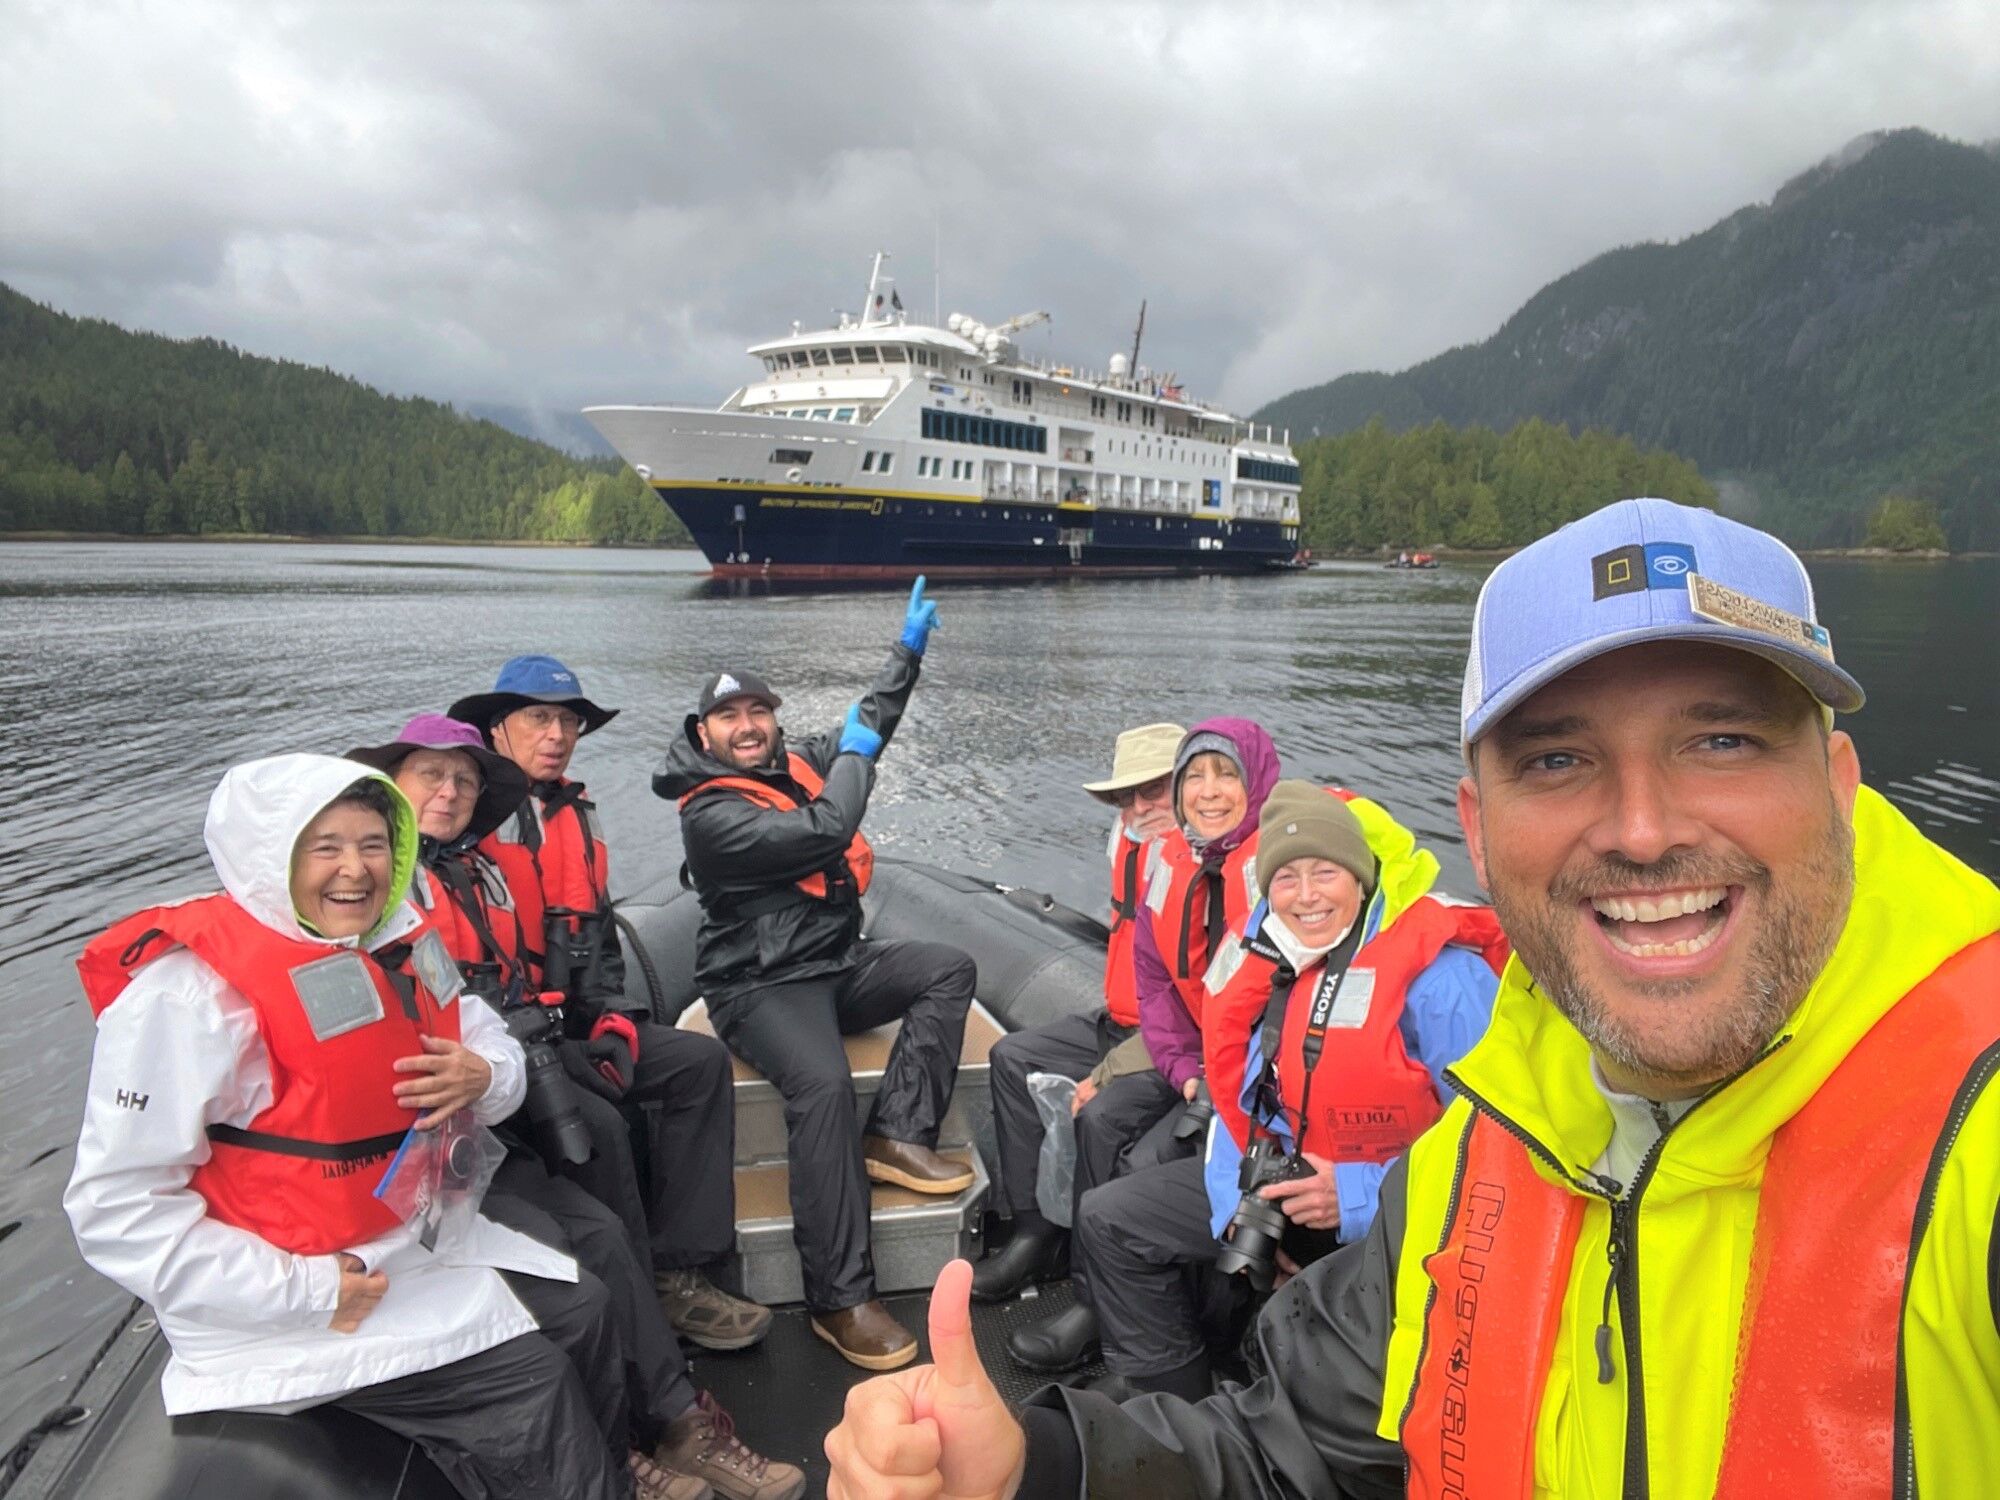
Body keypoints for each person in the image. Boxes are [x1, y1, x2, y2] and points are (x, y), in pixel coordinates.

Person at [823, 497, 2000, 1499]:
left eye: (1724, 741)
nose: (1642, 830)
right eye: (1556, 759)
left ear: (1837, 784)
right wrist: (1036, 1469)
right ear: (1476, 831)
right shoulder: (1483, 1145)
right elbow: (1285, 1454)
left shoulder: (1973, 1138)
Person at [65, 755, 631, 1500]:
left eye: (373, 845)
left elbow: (479, 1028)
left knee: (586, 1307)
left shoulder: (396, 939)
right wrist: (305, 1290)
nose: (356, 870)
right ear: (270, 856)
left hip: (409, 1242)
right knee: (534, 1388)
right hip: (294, 1304)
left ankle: (623, 1470)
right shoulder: (187, 999)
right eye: (324, 847)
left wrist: (487, 1074)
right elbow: (114, 1210)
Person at [349, 715, 805, 1500]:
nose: (449, 793)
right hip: (405, 1157)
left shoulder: (471, 878)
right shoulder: (365, 905)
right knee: (592, 1170)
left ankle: (674, 1371)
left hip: (489, 1096)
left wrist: (599, 1024)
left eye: (462, 781)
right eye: (432, 777)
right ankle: (632, 1428)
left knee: (618, 1175)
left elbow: (494, 1003)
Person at [1063, 781, 1503, 1403]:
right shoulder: (1267, 958)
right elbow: (1233, 1102)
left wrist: (1353, 1194)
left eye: (1325, 872)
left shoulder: (1444, 982)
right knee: (1110, 1218)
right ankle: (1173, 1405)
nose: (1306, 896)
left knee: (1312, 1358)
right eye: (1287, 878)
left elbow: (1496, 1152)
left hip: (1394, 1216)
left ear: (1361, 878)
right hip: (1282, 1187)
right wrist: (1234, 1214)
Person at [653, 579, 976, 1371]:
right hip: (758, 984)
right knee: (823, 1085)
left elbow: (870, 721)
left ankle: (897, 1132)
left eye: (758, 711)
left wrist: (906, 654)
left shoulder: (795, 760)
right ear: (704, 733)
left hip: (834, 962)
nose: (747, 725)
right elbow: (829, 828)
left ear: (773, 719)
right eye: (729, 716)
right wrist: (856, 758)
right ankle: (839, 1298)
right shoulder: (711, 818)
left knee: (948, 969)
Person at [450, 656, 769, 1354]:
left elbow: (596, 941)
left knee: (697, 1064)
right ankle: (635, 1302)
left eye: (568, 721)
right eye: (539, 718)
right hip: (512, 1039)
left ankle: (682, 1272)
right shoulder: (466, 822)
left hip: (574, 1021)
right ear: (497, 728)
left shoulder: (577, 815)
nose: (557, 734)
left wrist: (616, 1017)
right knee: (601, 1125)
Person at [1001, 717, 1281, 1375]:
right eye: (1194, 779)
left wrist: (1197, 1078)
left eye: (1225, 775)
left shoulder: (1281, 873)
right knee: (1070, 1098)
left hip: (1246, 1076)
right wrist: (1185, 1071)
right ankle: (1072, 1275)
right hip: (1184, 1055)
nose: (1206, 793)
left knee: (1130, 1145)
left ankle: (1141, 1323)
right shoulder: (1166, 861)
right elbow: (1158, 989)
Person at [972, 721, 1184, 1306]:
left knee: (1102, 1116)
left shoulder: (1211, 869)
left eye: (1155, 790)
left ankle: (1096, 1288)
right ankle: (1036, 1236)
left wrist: (1111, 1070)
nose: (1139, 808)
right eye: (1127, 797)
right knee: (1014, 1059)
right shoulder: (1130, 840)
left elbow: (1202, 1012)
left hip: (1172, 1042)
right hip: (1120, 1021)